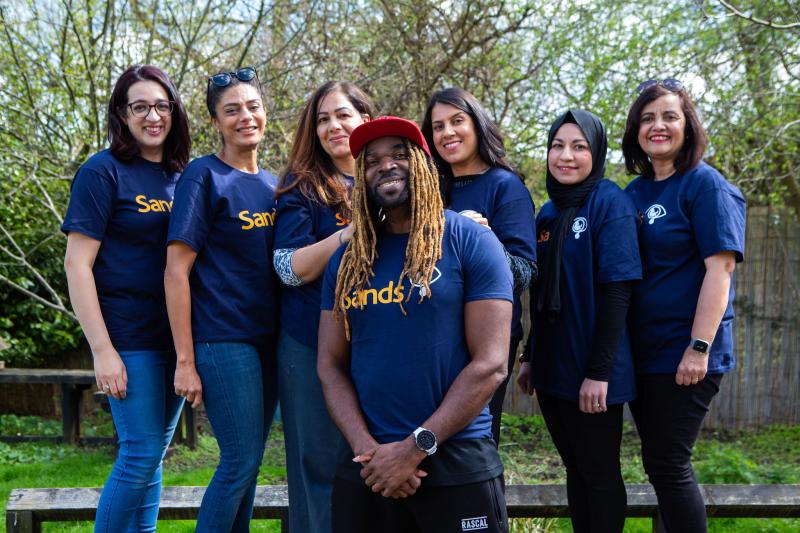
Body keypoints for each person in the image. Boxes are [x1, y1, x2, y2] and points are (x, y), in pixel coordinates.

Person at [318, 116, 513, 533]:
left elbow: (491, 364)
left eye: (399, 155)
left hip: (456, 460)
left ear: (424, 164)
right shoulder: (347, 261)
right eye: (371, 160)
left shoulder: (471, 241)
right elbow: (330, 365)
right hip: (368, 467)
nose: (385, 165)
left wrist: (415, 448)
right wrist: (367, 450)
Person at [62, 64, 190, 533]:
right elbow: (77, 265)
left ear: (174, 111)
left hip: (174, 337)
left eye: (161, 105)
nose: (152, 116)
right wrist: (102, 350)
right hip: (127, 335)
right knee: (138, 454)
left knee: (154, 453)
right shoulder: (102, 171)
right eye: (140, 106)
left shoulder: (184, 175)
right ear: (122, 113)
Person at [623, 79, 746, 533]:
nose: (658, 126)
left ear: (688, 126)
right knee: (659, 465)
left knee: (669, 463)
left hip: (686, 354)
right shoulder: (633, 193)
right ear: (636, 129)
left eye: (669, 116)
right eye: (648, 117)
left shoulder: (706, 185)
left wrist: (698, 347)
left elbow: (720, 272)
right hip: (643, 353)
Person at [164, 67, 279, 532]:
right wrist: (185, 360)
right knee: (238, 461)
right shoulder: (204, 176)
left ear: (265, 113)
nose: (244, 117)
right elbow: (176, 271)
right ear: (216, 121)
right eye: (232, 110)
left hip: (271, 342)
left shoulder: (276, 185)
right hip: (222, 338)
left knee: (248, 470)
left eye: (252, 106)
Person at [516, 110, 641, 533]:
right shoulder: (548, 212)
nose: (565, 156)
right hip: (553, 367)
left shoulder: (612, 204)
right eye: (557, 146)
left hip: (593, 369)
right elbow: (539, 292)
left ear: (597, 152)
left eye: (578, 146)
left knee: (599, 471)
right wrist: (530, 356)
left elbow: (617, 293)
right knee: (574, 467)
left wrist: (599, 373)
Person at [273, 81, 374, 533]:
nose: (334, 126)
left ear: (365, 119)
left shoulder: (391, 176)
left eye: (343, 115)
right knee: (317, 465)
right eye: (323, 119)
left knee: (371, 460)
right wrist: (346, 235)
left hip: (376, 343)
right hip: (308, 344)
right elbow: (287, 268)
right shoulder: (303, 187)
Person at [422, 88, 536, 446]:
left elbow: (524, 271)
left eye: (457, 121)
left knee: (474, 442)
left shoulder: (505, 186)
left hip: (485, 337)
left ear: (478, 124)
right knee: (429, 438)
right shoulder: (428, 190)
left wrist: (484, 243)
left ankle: (483, 504)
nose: (447, 133)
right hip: (430, 332)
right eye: (438, 126)